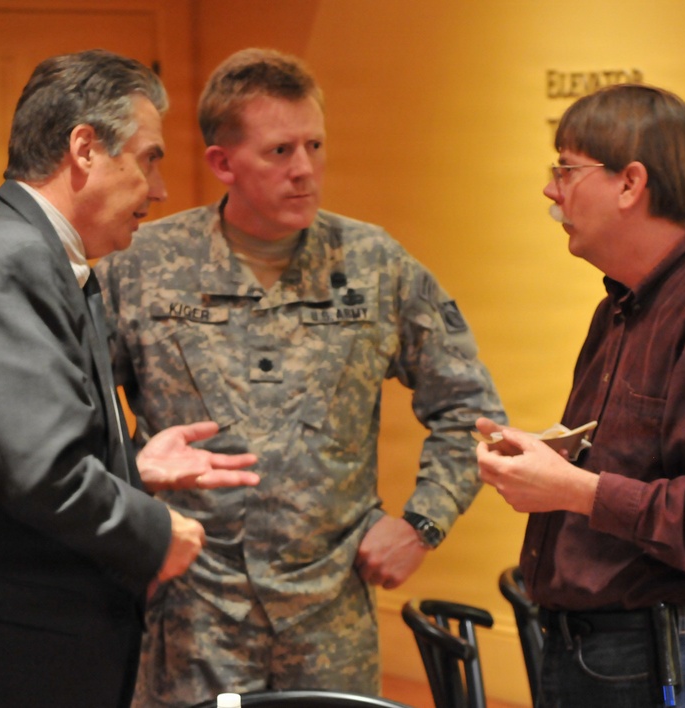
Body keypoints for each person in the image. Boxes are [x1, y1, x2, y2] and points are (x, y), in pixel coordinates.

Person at [94, 47, 506, 705]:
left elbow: (471, 411)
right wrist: (126, 535)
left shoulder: (372, 265)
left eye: (315, 145)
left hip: (329, 618)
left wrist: (421, 524)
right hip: (193, 617)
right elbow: (74, 417)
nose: (305, 170)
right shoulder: (142, 267)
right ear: (222, 163)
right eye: (280, 151)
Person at [0, 49, 260, 708]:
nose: (161, 189)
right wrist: (155, 532)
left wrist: (132, 466)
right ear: (84, 149)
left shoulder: (9, 247)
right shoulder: (13, 262)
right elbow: (43, 475)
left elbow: (5, 450)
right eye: (149, 158)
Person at [475, 84, 685, 708]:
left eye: (566, 169)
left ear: (630, 184)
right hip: (604, 653)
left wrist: (574, 489)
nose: (550, 190)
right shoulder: (624, 305)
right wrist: (551, 462)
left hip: (662, 658)